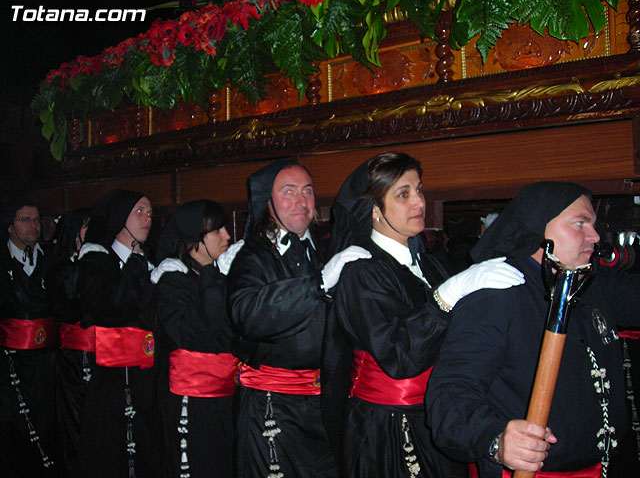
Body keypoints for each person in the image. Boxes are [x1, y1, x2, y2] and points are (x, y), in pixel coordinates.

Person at [321, 152, 524, 478]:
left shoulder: (431, 264)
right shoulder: (361, 272)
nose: (419, 202)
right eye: (403, 194)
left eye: (419, 189)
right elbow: (399, 357)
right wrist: (448, 295)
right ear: (375, 210)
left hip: (435, 415)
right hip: (388, 426)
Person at [426, 181, 640, 478]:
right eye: (580, 224)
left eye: (592, 224)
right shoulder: (496, 295)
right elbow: (450, 396)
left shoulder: (594, 282)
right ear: (539, 229)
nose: (594, 236)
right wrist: (495, 439)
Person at [226, 160, 370, 477]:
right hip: (273, 404)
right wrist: (317, 284)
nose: (301, 201)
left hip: (321, 404)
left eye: (307, 191)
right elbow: (246, 314)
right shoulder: (253, 254)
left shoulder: (319, 251)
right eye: (288, 192)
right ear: (268, 202)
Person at [76, 190, 160, 478]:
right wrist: (136, 267)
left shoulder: (154, 260)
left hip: (150, 377)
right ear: (119, 217)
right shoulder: (98, 261)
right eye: (139, 211)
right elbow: (111, 305)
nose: (147, 218)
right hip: (113, 379)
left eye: (150, 212)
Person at [151, 199, 238, 478]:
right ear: (195, 240)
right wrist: (214, 275)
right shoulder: (174, 279)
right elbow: (196, 333)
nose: (227, 236)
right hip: (192, 398)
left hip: (227, 396)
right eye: (217, 231)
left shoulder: (221, 274)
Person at [0, 198, 57, 477]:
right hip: (10, 363)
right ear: (9, 227)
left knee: (48, 420)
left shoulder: (52, 260)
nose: (33, 226)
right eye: (25, 220)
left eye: (36, 220)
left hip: (48, 362)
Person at [45, 208, 92, 478]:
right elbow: (70, 303)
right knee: (76, 419)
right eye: (87, 227)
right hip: (72, 358)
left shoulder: (100, 262)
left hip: (100, 355)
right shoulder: (61, 268)